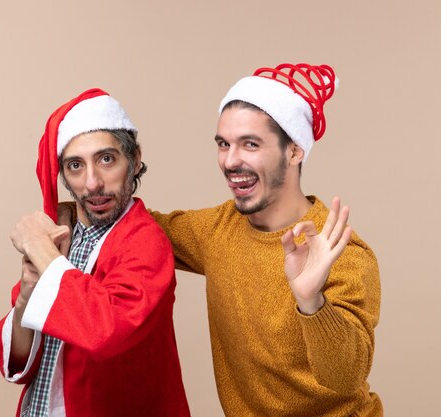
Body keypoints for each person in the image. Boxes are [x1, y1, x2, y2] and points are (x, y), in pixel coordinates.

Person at [62, 63, 382, 416]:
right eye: (223, 144)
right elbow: (133, 225)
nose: (230, 161)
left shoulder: (342, 251)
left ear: (294, 151)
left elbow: (346, 378)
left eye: (250, 144)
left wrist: (311, 302)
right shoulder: (217, 230)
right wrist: (66, 213)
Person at [0, 88, 190, 417]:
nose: (92, 182)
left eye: (106, 159)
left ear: (135, 159)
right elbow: (16, 364)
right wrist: (26, 296)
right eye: (75, 166)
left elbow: (105, 331)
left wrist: (39, 248)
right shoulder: (61, 236)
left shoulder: (145, 241)